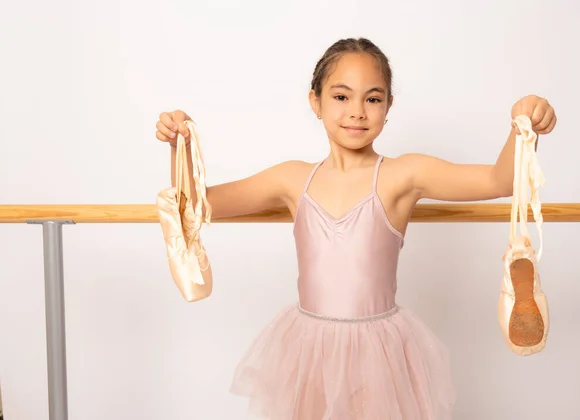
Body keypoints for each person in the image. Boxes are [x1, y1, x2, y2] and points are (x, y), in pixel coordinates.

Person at [155, 37, 557, 419]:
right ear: (316, 101)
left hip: (377, 351)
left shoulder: (402, 175)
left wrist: (524, 123)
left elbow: (498, 181)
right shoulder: (292, 180)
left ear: (389, 105)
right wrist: (180, 142)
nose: (357, 111)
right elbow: (197, 204)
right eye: (342, 96)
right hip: (308, 348)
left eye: (373, 99)